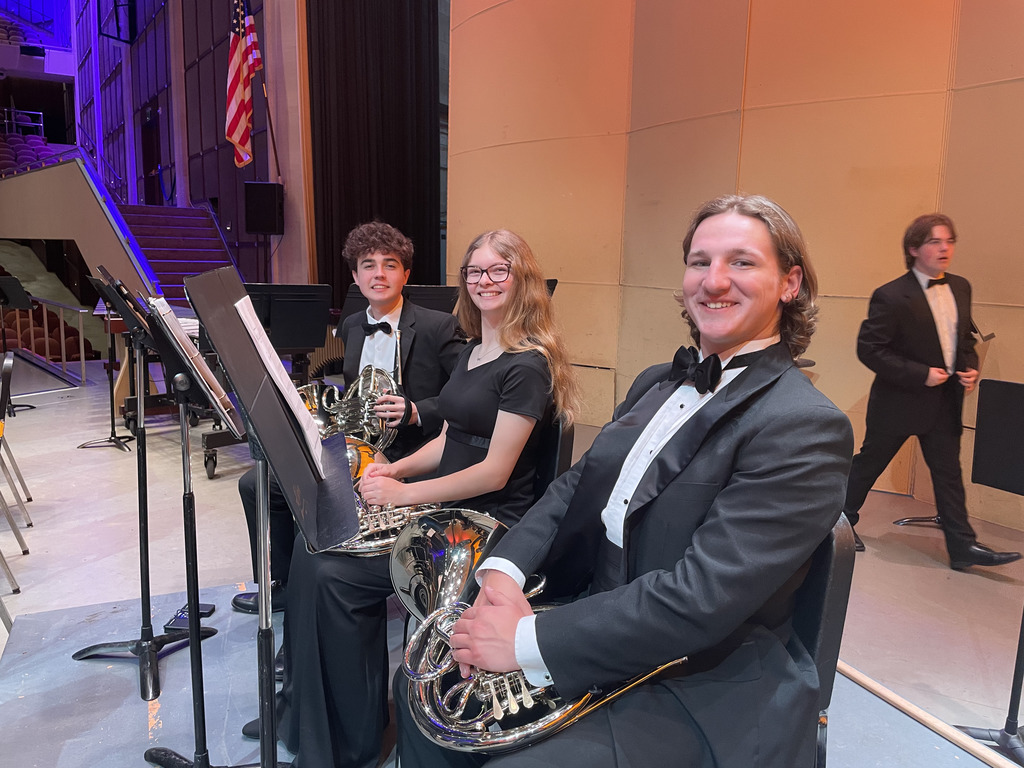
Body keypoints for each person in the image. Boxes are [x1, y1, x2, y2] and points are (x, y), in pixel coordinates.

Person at [396, 195, 854, 768]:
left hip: (698, 678)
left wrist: (524, 642)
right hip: (593, 611)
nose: (713, 281)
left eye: (742, 263)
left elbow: (700, 599)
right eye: (699, 261)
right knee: (423, 695)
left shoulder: (804, 425)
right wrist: (503, 573)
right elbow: (575, 485)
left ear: (790, 283)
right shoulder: (657, 382)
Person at [271, 229, 580, 768]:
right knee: (315, 544)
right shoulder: (479, 349)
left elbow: (493, 471)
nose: (484, 281)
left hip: (481, 526)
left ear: (522, 279)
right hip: (442, 510)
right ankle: (323, 721)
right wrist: (394, 467)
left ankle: (347, 742)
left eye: (497, 270)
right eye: (475, 271)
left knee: (331, 575)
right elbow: (449, 439)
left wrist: (403, 493)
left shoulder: (526, 364)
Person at [232, 221, 464, 615]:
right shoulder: (353, 326)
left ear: (406, 274)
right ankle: (284, 583)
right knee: (258, 483)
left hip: (415, 453)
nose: (379, 274)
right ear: (355, 276)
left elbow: (466, 393)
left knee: (321, 500)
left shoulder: (437, 326)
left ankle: (326, 599)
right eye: (368, 265)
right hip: (360, 450)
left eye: (390, 265)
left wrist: (417, 410)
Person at [842, 214, 1020, 570]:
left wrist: (970, 366)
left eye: (950, 241)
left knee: (948, 474)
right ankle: (839, 521)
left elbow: (963, 339)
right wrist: (920, 373)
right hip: (897, 402)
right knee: (870, 464)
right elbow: (870, 349)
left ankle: (962, 547)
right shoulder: (891, 295)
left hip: (943, 403)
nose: (945, 248)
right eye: (936, 242)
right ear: (914, 249)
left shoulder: (961, 287)